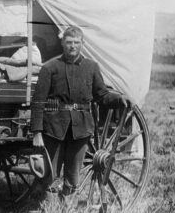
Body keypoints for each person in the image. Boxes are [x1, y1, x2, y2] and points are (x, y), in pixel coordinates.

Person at [30, 26, 130, 200]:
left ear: (82, 44)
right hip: (54, 129)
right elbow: (38, 101)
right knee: (50, 177)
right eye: (69, 42)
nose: (72, 46)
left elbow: (102, 96)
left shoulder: (91, 67)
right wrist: (37, 132)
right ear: (62, 43)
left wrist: (119, 99)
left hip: (81, 130)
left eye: (76, 42)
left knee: (73, 178)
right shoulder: (50, 68)